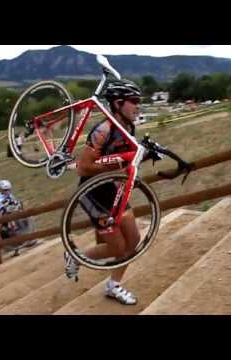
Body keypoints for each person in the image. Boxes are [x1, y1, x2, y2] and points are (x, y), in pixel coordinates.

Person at [64, 80, 146, 305]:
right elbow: (83, 167)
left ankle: (114, 285)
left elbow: (124, 160)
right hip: (92, 192)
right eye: (134, 102)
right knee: (117, 246)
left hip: (111, 188)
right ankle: (76, 256)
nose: (137, 106)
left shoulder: (128, 128)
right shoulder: (103, 130)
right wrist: (113, 166)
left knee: (134, 240)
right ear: (118, 104)